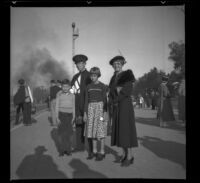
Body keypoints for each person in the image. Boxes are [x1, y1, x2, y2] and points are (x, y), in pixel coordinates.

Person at [108, 56, 138, 167]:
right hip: (116, 106)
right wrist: (111, 100)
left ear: (122, 64)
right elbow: (111, 91)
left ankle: (130, 156)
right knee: (120, 131)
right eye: (115, 64)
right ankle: (124, 154)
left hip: (125, 106)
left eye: (119, 64)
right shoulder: (113, 78)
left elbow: (127, 91)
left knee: (125, 130)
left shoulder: (127, 75)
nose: (116, 65)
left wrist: (115, 100)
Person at [83, 67, 108, 161]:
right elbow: (86, 101)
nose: (93, 77)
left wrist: (105, 112)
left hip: (100, 109)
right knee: (92, 131)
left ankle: (102, 152)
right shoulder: (88, 87)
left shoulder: (102, 86)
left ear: (98, 75)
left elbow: (105, 100)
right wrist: (85, 113)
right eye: (91, 76)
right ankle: (94, 151)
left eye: (95, 75)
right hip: (90, 110)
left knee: (100, 131)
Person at [71, 54, 93, 155]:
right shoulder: (75, 77)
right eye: (77, 64)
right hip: (76, 104)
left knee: (88, 126)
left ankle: (91, 149)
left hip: (86, 103)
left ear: (84, 63)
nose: (78, 65)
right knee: (79, 125)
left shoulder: (90, 75)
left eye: (80, 63)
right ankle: (79, 146)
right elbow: (71, 91)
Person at [55, 79, 75, 156]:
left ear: (70, 87)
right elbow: (56, 106)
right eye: (63, 86)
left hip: (70, 116)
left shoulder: (72, 96)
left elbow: (73, 107)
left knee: (69, 134)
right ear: (61, 87)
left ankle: (68, 149)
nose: (65, 88)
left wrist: (74, 117)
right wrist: (57, 117)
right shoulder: (59, 95)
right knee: (61, 134)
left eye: (67, 86)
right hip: (61, 115)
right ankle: (62, 150)